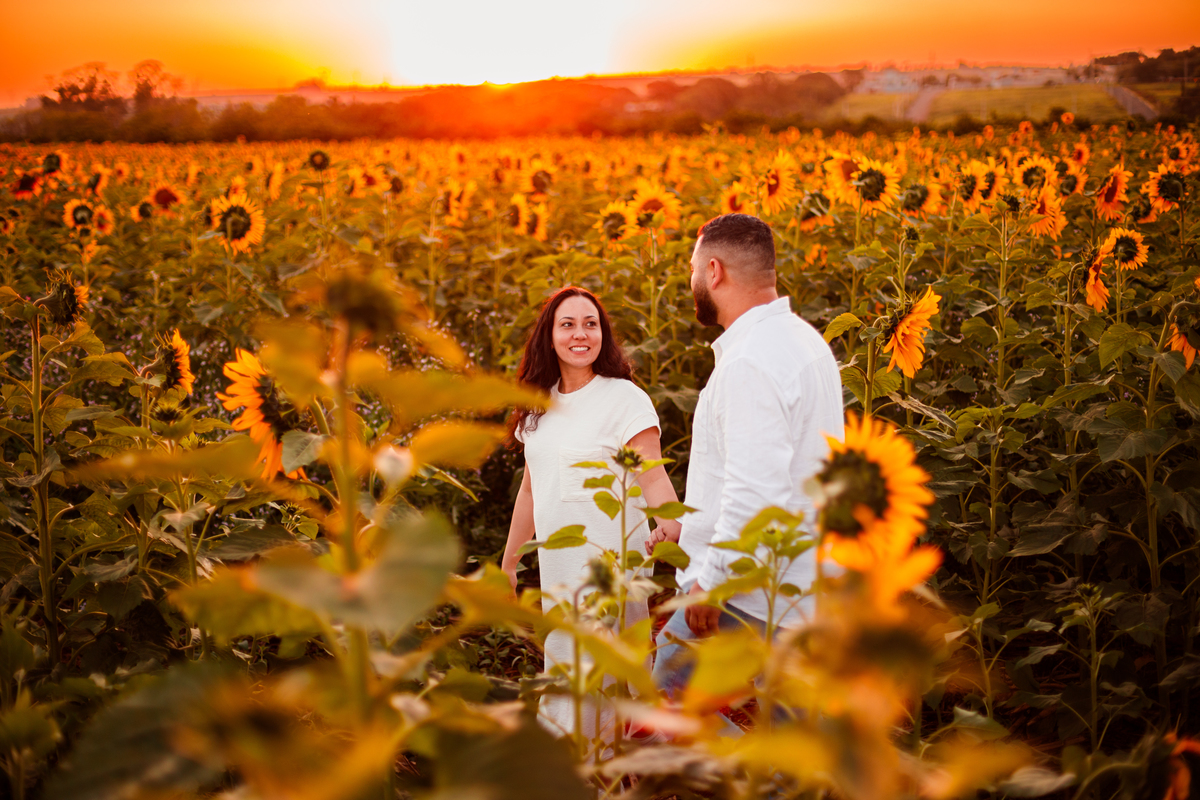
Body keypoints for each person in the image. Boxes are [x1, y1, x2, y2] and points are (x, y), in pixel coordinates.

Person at [649, 213, 844, 725]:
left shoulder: (749, 361)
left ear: (713, 271)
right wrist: (686, 526)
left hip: (748, 591)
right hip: (806, 587)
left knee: (656, 722)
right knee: (792, 757)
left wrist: (713, 582)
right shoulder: (806, 342)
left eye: (693, 269)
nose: (692, 281)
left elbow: (757, 489)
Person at [501, 286, 683, 742]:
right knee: (578, 680)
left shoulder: (624, 399)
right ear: (550, 336)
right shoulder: (537, 408)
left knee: (602, 684)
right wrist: (509, 562)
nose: (580, 334)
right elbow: (530, 491)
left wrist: (671, 521)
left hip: (613, 572)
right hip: (561, 575)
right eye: (568, 324)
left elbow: (653, 475)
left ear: (603, 335)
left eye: (590, 324)